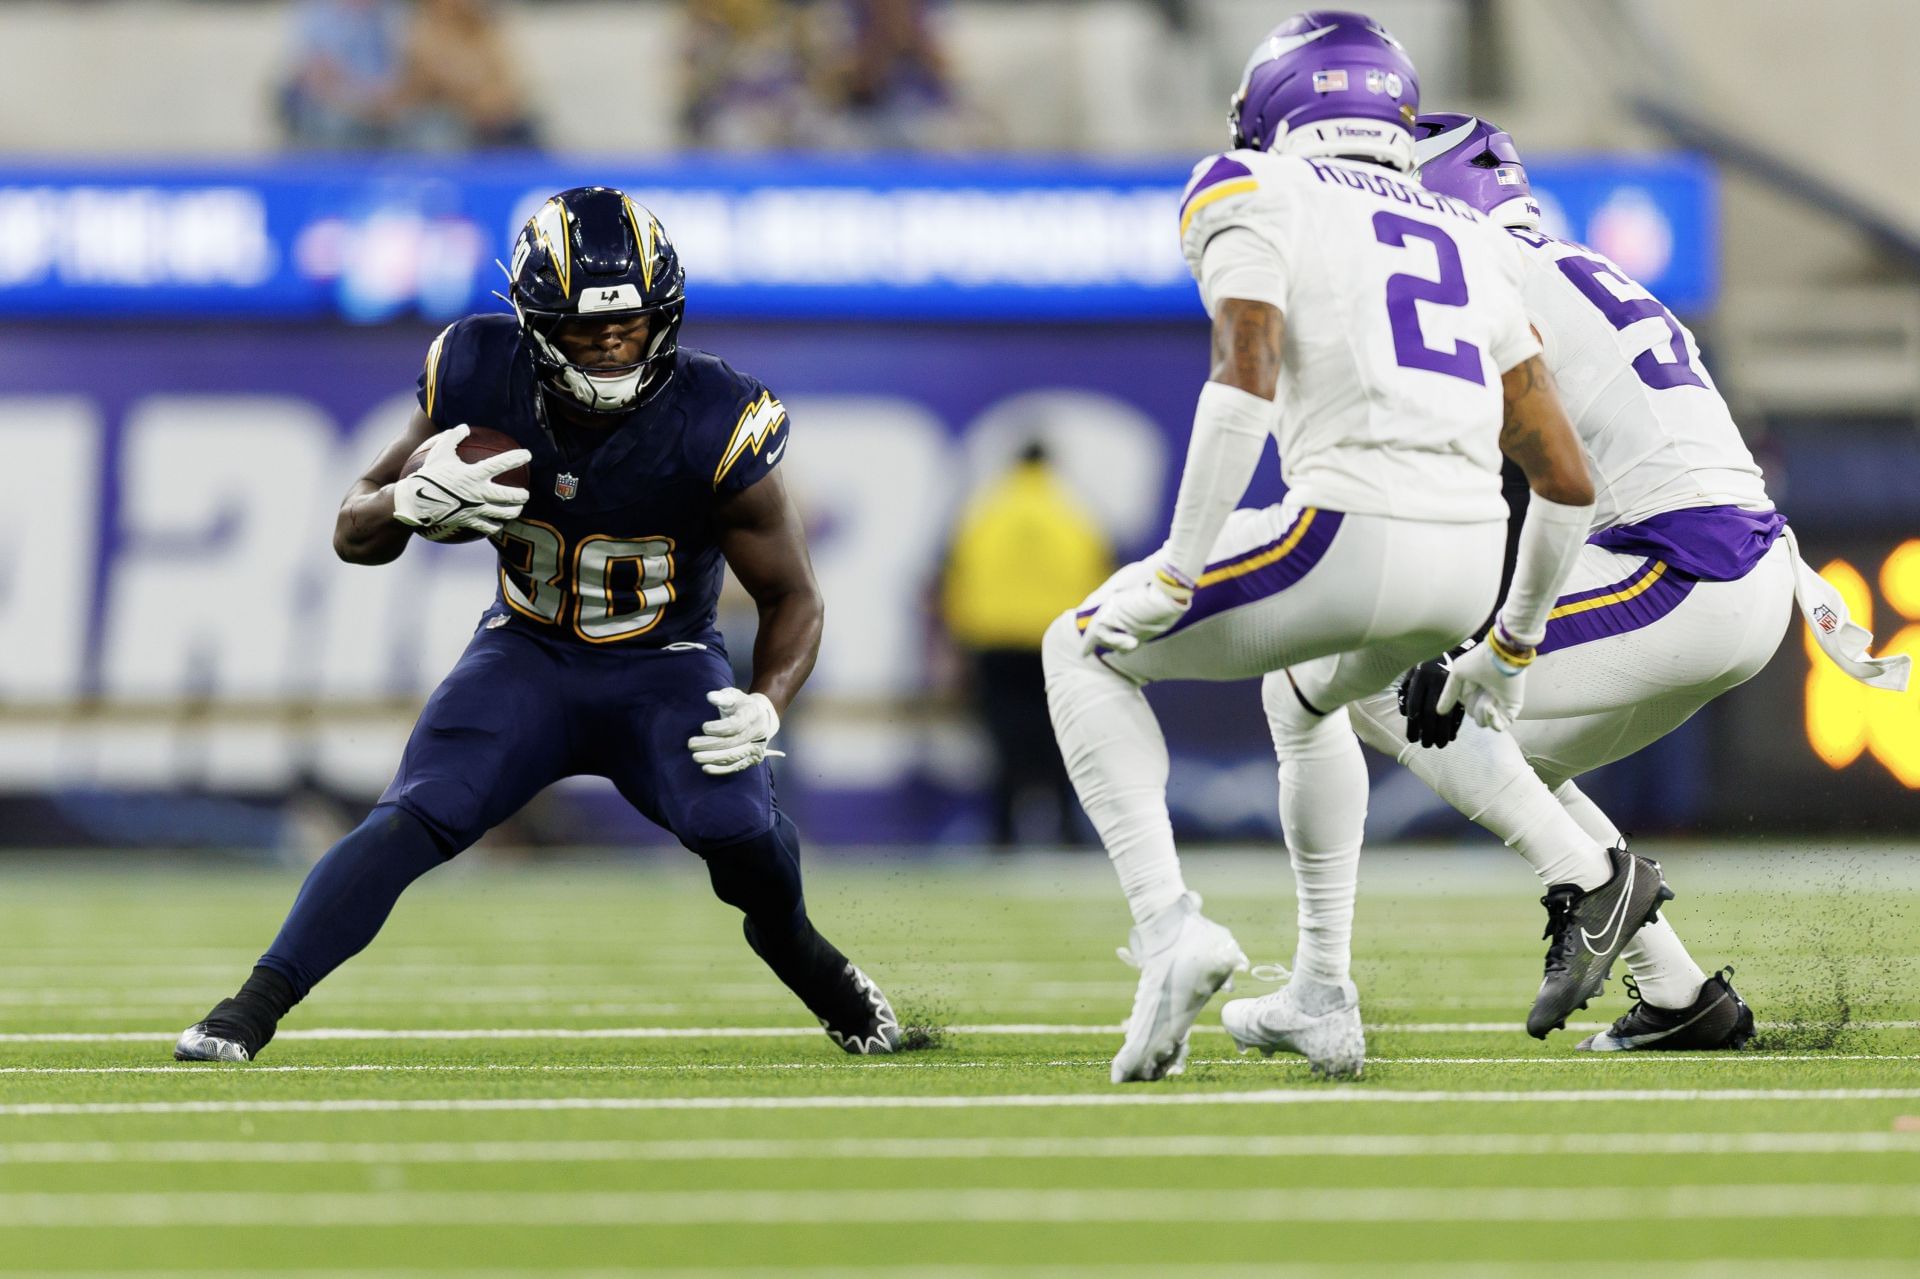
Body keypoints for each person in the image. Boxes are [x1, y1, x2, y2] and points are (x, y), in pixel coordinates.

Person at [176, 186, 900, 1062]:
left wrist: (769, 699)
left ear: (662, 316)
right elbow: (351, 528)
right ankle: (248, 1009)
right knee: (410, 817)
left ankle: (808, 957)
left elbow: (795, 597)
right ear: (532, 323)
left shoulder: (716, 414)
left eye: (627, 326)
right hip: (528, 653)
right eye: (584, 329)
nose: (607, 345)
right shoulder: (479, 372)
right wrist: (404, 501)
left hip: (665, 667)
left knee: (743, 840)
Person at [1041, 11, 1596, 1084]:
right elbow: (1564, 476)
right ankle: (1324, 995)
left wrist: (1180, 563)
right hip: (1471, 560)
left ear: (1274, 105)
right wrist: (1512, 648)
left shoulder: (1250, 185)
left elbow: (1243, 369)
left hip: (1343, 526)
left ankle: (1169, 930)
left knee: (1081, 648)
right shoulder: (1472, 234)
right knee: (1303, 696)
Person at [1345, 114, 1911, 1049]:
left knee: (1381, 684)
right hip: (1738, 569)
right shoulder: (1573, 267)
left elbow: (1542, 483)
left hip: (1684, 569)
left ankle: (1595, 884)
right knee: (1507, 759)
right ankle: (1684, 996)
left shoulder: (1489, 274)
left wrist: (1502, 641)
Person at [942, 441, 1112, 846]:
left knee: (1004, 739)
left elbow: (957, 576)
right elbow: (1101, 578)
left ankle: (1003, 830)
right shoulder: (1073, 513)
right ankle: (1068, 829)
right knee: (1063, 736)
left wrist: (961, 636)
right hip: (1056, 641)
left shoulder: (986, 511)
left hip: (995, 642)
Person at [394, 0, 542, 150]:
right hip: (448, 115)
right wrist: (469, 100)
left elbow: (506, 78)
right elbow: (425, 82)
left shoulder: (485, 31)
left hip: (494, 115)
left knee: (527, 126)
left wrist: (493, 101)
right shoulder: (422, 31)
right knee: (438, 131)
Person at [280, 0, 409, 149]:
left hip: (386, 104)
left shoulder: (391, 11)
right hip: (335, 104)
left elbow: (406, 69)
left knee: (424, 126)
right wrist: (361, 105)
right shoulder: (314, 12)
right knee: (334, 123)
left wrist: (387, 101)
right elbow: (317, 77)